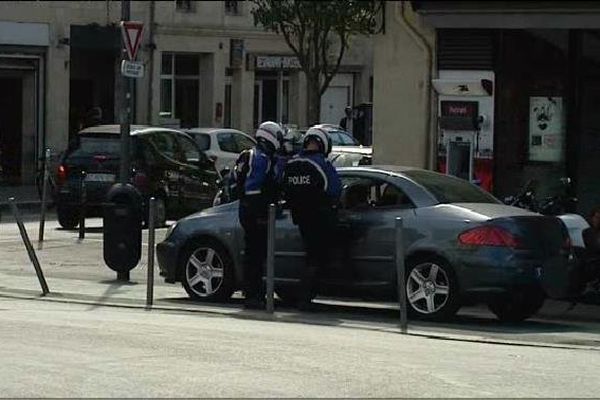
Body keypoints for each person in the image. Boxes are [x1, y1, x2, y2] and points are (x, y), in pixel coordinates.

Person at [282, 126, 342, 311]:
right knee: (317, 258)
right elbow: (335, 189)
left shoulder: (291, 164)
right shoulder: (321, 164)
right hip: (321, 219)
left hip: (300, 219)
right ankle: (305, 297)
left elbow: (283, 189)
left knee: (311, 256)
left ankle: (305, 295)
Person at [232, 121, 283, 309]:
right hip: (255, 211)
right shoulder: (260, 158)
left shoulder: (255, 155)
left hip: (249, 210)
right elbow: (254, 188)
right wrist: (264, 209)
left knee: (255, 253)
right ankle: (253, 293)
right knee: (255, 254)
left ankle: (254, 291)